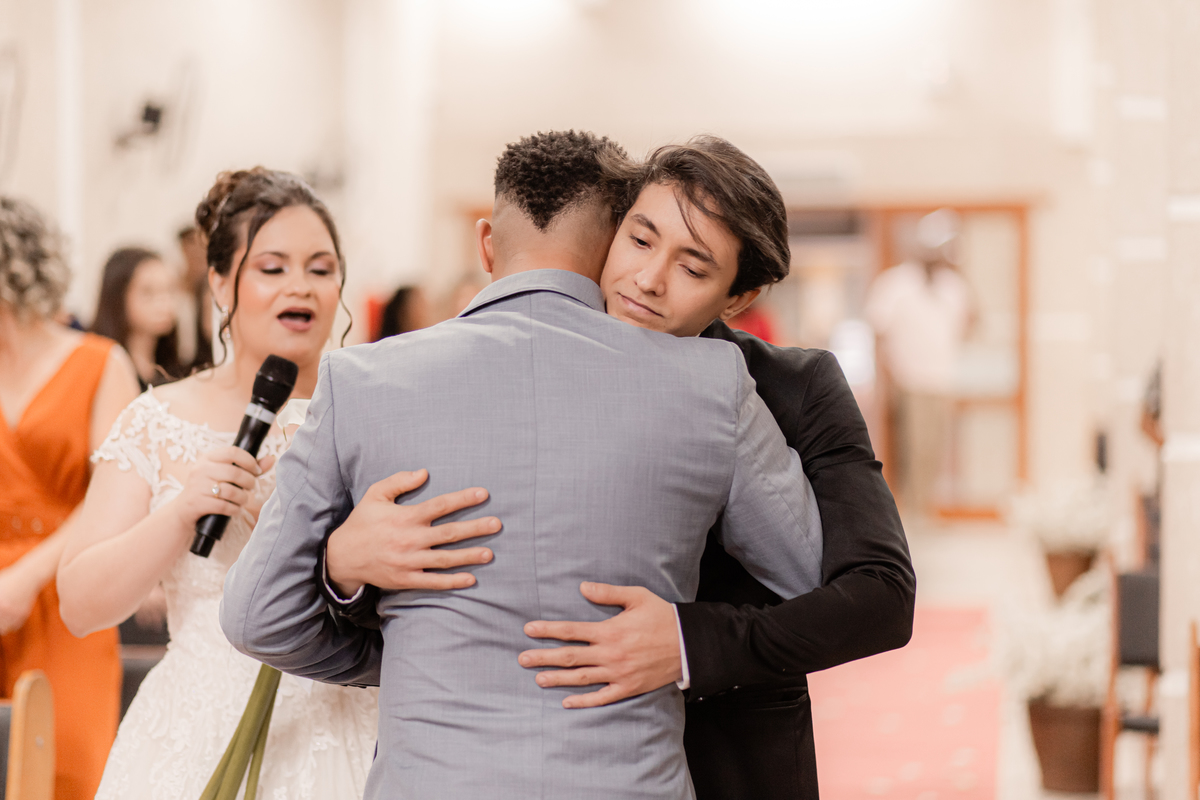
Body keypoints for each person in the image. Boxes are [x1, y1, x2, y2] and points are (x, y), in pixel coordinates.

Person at [220, 130, 824, 800]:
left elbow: (256, 617)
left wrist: (417, 648)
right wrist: (684, 635)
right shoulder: (713, 382)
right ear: (607, 248)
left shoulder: (361, 379)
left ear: (486, 243)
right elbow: (808, 576)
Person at [55, 168, 402, 799]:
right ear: (220, 282)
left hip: (346, 728)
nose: (300, 286)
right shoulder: (160, 418)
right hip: (195, 730)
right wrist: (183, 510)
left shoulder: (382, 413)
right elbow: (81, 606)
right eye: (273, 268)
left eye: (321, 269)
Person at [0, 196, 141, 800]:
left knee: (68, 766)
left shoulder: (99, 363)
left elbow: (113, 496)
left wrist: (25, 578)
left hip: (66, 593)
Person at [865, 208, 972, 515]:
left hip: (940, 379)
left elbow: (968, 324)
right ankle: (908, 512)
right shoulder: (896, 284)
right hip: (908, 381)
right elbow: (879, 331)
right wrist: (886, 379)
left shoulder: (952, 286)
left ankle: (921, 510)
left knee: (932, 450)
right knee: (911, 448)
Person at [91, 247, 182, 388]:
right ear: (118, 297)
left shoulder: (172, 368)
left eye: (169, 290)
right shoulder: (102, 367)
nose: (165, 304)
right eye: (148, 292)